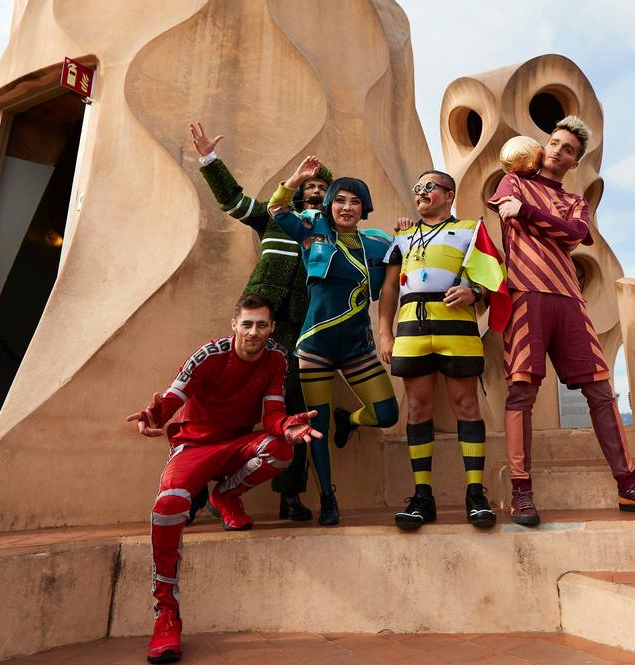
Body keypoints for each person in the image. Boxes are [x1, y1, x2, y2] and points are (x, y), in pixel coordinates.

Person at [488, 116, 635, 525]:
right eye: (554, 142)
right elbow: (508, 214)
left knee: (601, 392)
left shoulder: (576, 202)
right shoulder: (512, 181)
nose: (558, 151)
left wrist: (529, 213)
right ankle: (522, 492)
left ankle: (629, 485)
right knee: (521, 392)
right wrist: (532, 216)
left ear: (575, 162)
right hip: (526, 295)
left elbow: (575, 233)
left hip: (570, 300)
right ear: (545, 146)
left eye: (568, 149)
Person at [126, 293, 323, 665]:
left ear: (271, 328)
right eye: (247, 324)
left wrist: (287, 426)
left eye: (261, 325)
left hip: (237, 444)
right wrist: (153, 416)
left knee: (281, 450)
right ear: (234, 325)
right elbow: (172, 397)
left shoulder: (277, 358)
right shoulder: (208, 355)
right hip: (194, 446)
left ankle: (225, 496)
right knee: (168, 505)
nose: (253, 332)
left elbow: (272, 414)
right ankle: (166, 613)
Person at [189, 121, 328, 521]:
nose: (315, 192)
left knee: (295, 405)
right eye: (310, 185)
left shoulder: (332, 233)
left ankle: (290, 494)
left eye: (322, 187)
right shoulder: (273, 218)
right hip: (258, 317)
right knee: (230, 403)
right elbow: (233, 201)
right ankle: (198, 492)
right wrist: (209, 159)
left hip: (299, 326)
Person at [268, 156, 399, 525]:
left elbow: (397, 277)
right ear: (329, 204)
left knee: (387, 414)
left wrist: (405, 232)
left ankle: (350, 418)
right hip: (314, 346)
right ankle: (327, 496)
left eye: (355, 202)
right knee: (317, 428)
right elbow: (276, 208)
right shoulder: (312, 229)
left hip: (358, 346)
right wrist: (295, 179)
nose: (346, 207)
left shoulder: (380, 243)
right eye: (339, 200)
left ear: (364, 208)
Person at [377, 170, 500, 529]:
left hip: (457, 327)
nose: (420, 192)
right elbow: (389, 290)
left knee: (467, 405)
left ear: (449, 195)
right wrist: (385, 334)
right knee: (417, 408)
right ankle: (422, 498)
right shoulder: (401, 237)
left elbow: (493, 277)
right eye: (417, 188)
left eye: (429, 187)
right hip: (411, 328)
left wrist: (474, 292)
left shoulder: (471, 230)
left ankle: (475, 495)